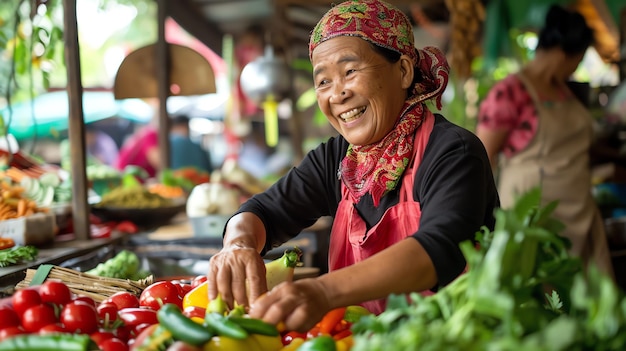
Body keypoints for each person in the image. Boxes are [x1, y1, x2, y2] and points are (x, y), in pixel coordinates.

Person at [207, 0, 499, 332]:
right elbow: (264, 210)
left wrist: (322, 290)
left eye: (349, 71)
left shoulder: (452, 152)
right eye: (323, 81)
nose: (338, 94)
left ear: (403, 71)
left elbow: (437, 250)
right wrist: (238, 244)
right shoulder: (337, 158)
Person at [475, 5, 614, 276]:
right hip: (534, 216)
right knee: (544, 292)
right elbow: (481, 160)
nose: (576, 67)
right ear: (567, 53)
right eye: (579, 58)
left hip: (580, 210)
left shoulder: (563, 90)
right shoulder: (509, 94)